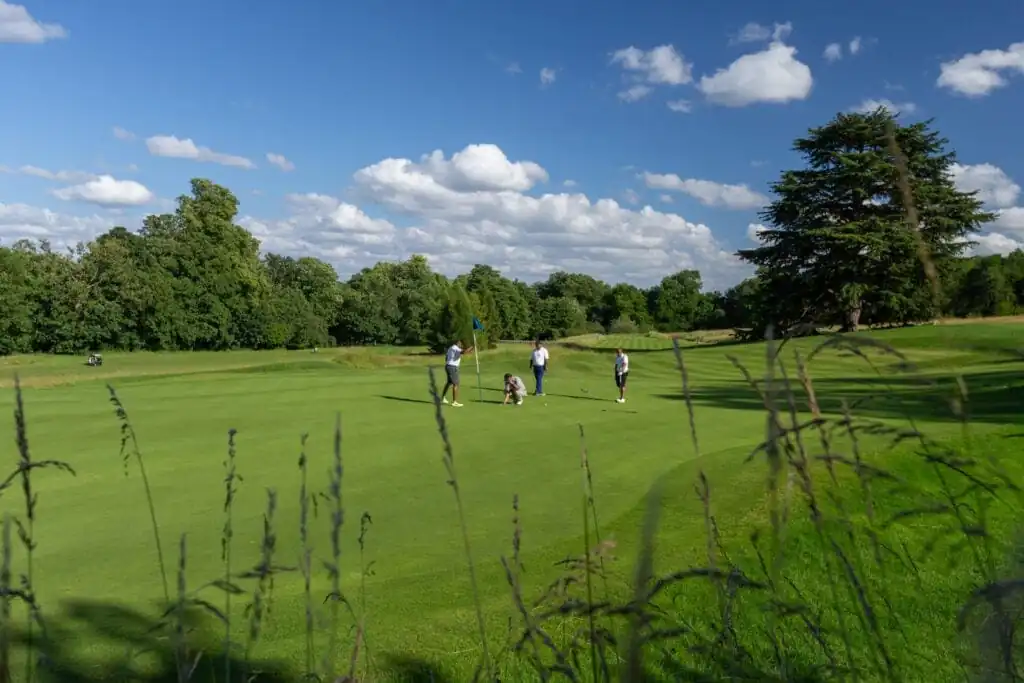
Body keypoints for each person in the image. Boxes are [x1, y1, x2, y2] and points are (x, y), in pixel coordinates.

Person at [441, 339, 473, 407]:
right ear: (458, 343)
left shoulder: (450, 348)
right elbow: (464, 352)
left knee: (449, 382)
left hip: (448, 366)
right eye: (461, 344)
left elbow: (446, 358)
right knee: (456, 384)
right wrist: (471, 347)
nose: (461, 345)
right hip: (452, 367)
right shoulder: (456, 348)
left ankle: (443, 398)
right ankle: (454, 402)